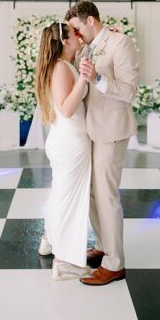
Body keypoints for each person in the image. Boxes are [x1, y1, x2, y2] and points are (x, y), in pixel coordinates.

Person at [65, 1, 139, 287]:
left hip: (111, 129)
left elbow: (129, 92)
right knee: (93, 194)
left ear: (91, 20)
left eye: (77, 27)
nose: (76, 33)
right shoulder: (87, 47)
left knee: (106, 195)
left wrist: (97, 78)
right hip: (89, 130)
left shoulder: (121, 43)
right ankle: (103, 244)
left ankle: (115, 263)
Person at [35, 21, 92, 282]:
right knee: (69, 201)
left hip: (66, 141)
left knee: (61, 194)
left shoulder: (63, 64)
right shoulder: (60, 68)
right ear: (65, 41)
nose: (79, 35)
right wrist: (83, 79)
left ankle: (49, 239)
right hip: (70, 142)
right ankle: (65, 262)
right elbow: (67, 108)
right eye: (74, 33)